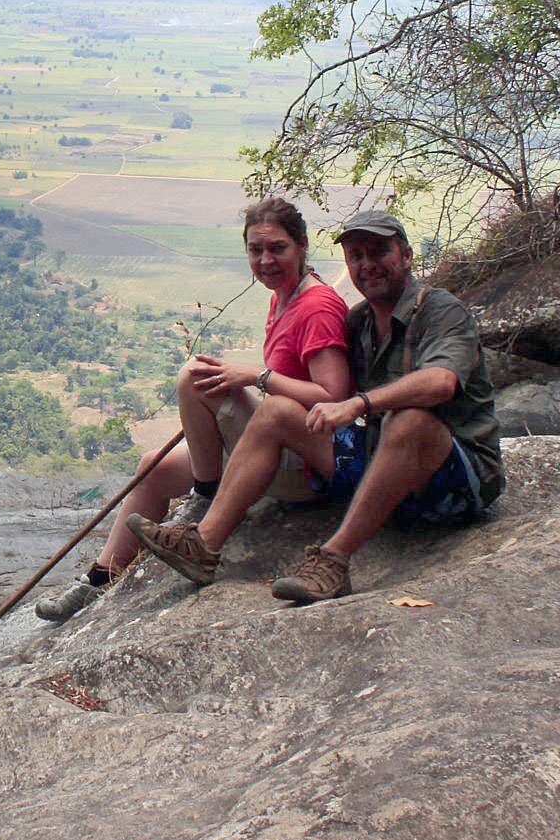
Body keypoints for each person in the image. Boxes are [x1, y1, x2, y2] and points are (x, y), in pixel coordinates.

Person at [128, 209, 503, 603]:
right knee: (277, 412)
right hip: (383, 468)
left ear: (406, 256)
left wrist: (358, 404)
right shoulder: (360, 323)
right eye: (356, 256)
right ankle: (203, 543)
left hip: (453, 483)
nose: (367, 265)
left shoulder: (441, 310)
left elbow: (441, 382)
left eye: (378, 252)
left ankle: (333, 561)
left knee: (411, 421)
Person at [35, 196, 352, 621]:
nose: (265, 259)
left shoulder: (316, 305)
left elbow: (335, 396)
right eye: (255, 250)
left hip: (304, 466)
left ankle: (204, 499)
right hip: (274, 450)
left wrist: (254, 377)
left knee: (194, 376)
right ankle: (100, 578)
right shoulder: (284, 297)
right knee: (153, 466)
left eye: (277, 248)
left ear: (301, 246)